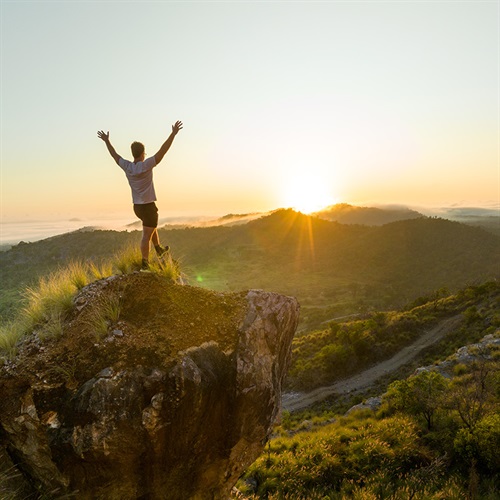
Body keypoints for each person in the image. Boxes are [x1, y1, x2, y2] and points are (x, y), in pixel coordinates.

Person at [97, 120, 183, 270]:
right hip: (148, 206)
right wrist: (173, 134)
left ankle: (158, 249)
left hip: (137, 207)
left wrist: (107, 141)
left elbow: (114, 155)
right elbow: (163, 150)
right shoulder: (146, 165)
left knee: (150, 227)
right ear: (143, 153)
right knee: (146, 235)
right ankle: (145, 263)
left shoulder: (127, 166)